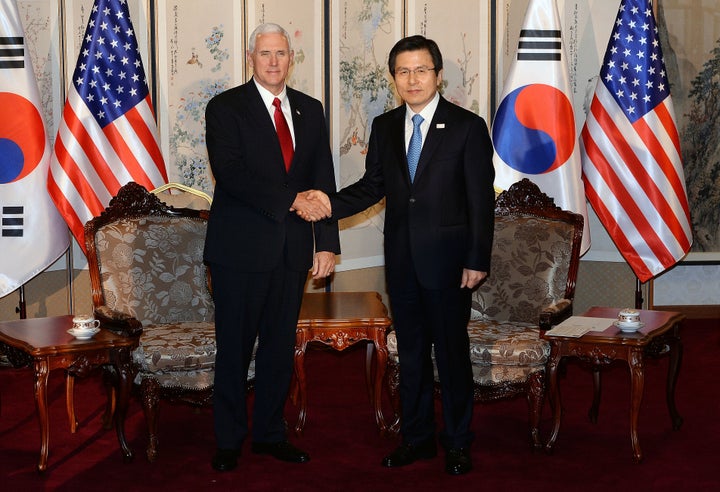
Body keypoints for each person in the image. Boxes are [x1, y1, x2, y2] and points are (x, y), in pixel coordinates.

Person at [302, 35, 495, 475]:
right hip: (402, 262)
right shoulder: (385, 126)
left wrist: (476, 259)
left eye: (421, 70)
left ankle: (459, 441)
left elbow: (481, 201)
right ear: (394, 78)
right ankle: (417, 437)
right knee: (409, 353)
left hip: (450, 264)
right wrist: (327, 202)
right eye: (403, 72)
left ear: (438, 74)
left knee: (450, 353)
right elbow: (373, 187)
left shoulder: (467, 126)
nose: (412, 79)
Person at [203, 22, 340, 472]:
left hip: (292, 252)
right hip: (240, 252)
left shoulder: (310, 109)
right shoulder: (225, 108)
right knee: (235, 349)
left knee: (279, 349)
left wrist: (327, 244)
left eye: (281, 53)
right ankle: (229, 439)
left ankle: (269, 434)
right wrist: (291, 200)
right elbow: (231, 172)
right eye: (266, 54)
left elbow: (323, 178)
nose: (274, 61)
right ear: (250, 58)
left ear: (290, 58)